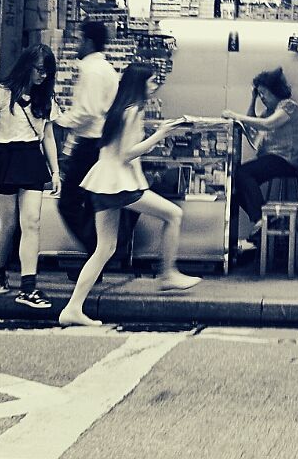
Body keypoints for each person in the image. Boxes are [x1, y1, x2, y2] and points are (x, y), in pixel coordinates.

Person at [59, 63, 200, 326]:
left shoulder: (119, 109)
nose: (154, 85)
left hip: (105, 182)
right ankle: (167, 273)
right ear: (139, 83)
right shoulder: (133, 111)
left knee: (105, 248)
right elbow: (127, 153)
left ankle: (73, 307)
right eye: (151, 81)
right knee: (173, 214)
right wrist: (160, 134)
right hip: (119, 184)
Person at [0, 45, 62, 310]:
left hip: (30, 159)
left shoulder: (45, 99)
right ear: (26, 65)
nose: (43, 76)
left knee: (32, 222)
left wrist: (56, 171)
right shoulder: (1, 94)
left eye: (48, 71)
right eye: (39, 69)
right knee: (8, 224)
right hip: (3, 157)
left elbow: (48, 137)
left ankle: (28, 286)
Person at [224, 68, 298, 245]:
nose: (262, 97)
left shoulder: (287, 106)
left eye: (264, 93)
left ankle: (260, 219)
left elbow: (268, 125)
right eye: (260, 94)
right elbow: (250, 125)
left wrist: (234, 115)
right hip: (273, 159)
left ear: (275, 90)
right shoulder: (269, 111)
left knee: (243, 173)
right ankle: (264, 221)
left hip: (287, 160)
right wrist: (252, 98)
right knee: (235, 189)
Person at [55, 21, 120, 254]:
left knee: (68, 202)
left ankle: (95, 253)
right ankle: (97, 256)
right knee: (93, 203)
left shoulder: (92, 71)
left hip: (90, 144)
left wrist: (61, 121)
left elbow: (88, 112)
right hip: (99, 144)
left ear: (89, 41)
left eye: (79, 39)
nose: (76, 44)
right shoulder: (107, 70)